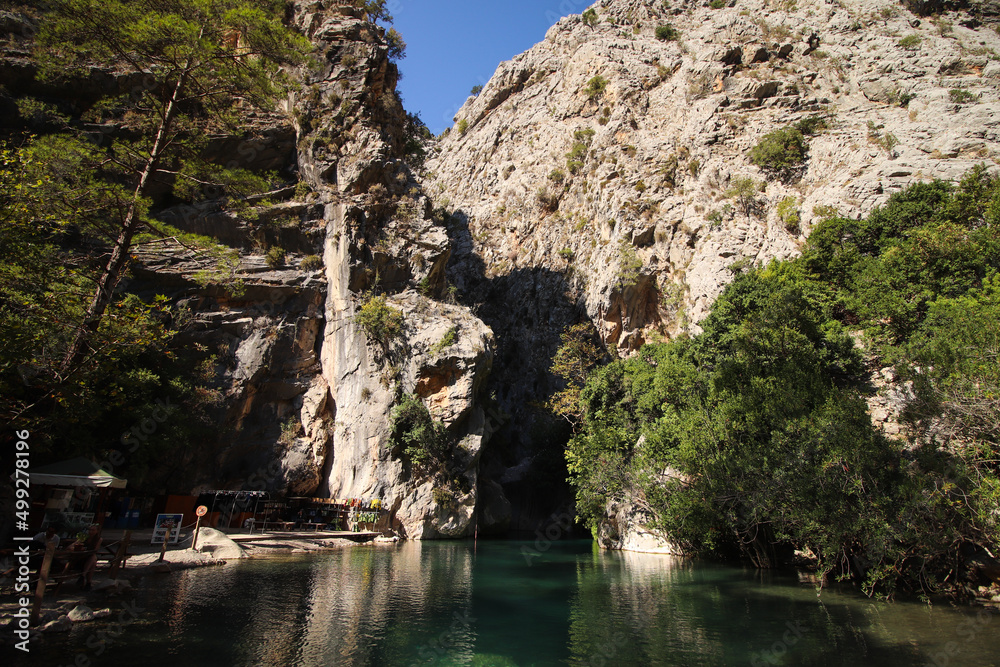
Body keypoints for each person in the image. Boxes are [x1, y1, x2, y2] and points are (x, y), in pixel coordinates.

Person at [63, 524, 102, 591]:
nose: (91, 532)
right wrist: (79, 548)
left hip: (88, 558)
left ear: (97, 531)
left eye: (93, 530)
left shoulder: (98, 539)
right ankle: (88, 582)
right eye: (90, 530)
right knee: (93, 560)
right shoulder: (83, 538)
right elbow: (70, 547)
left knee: (92, 558)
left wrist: (87, 550)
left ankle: (83, 577)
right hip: (79, 559)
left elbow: (95, 550)